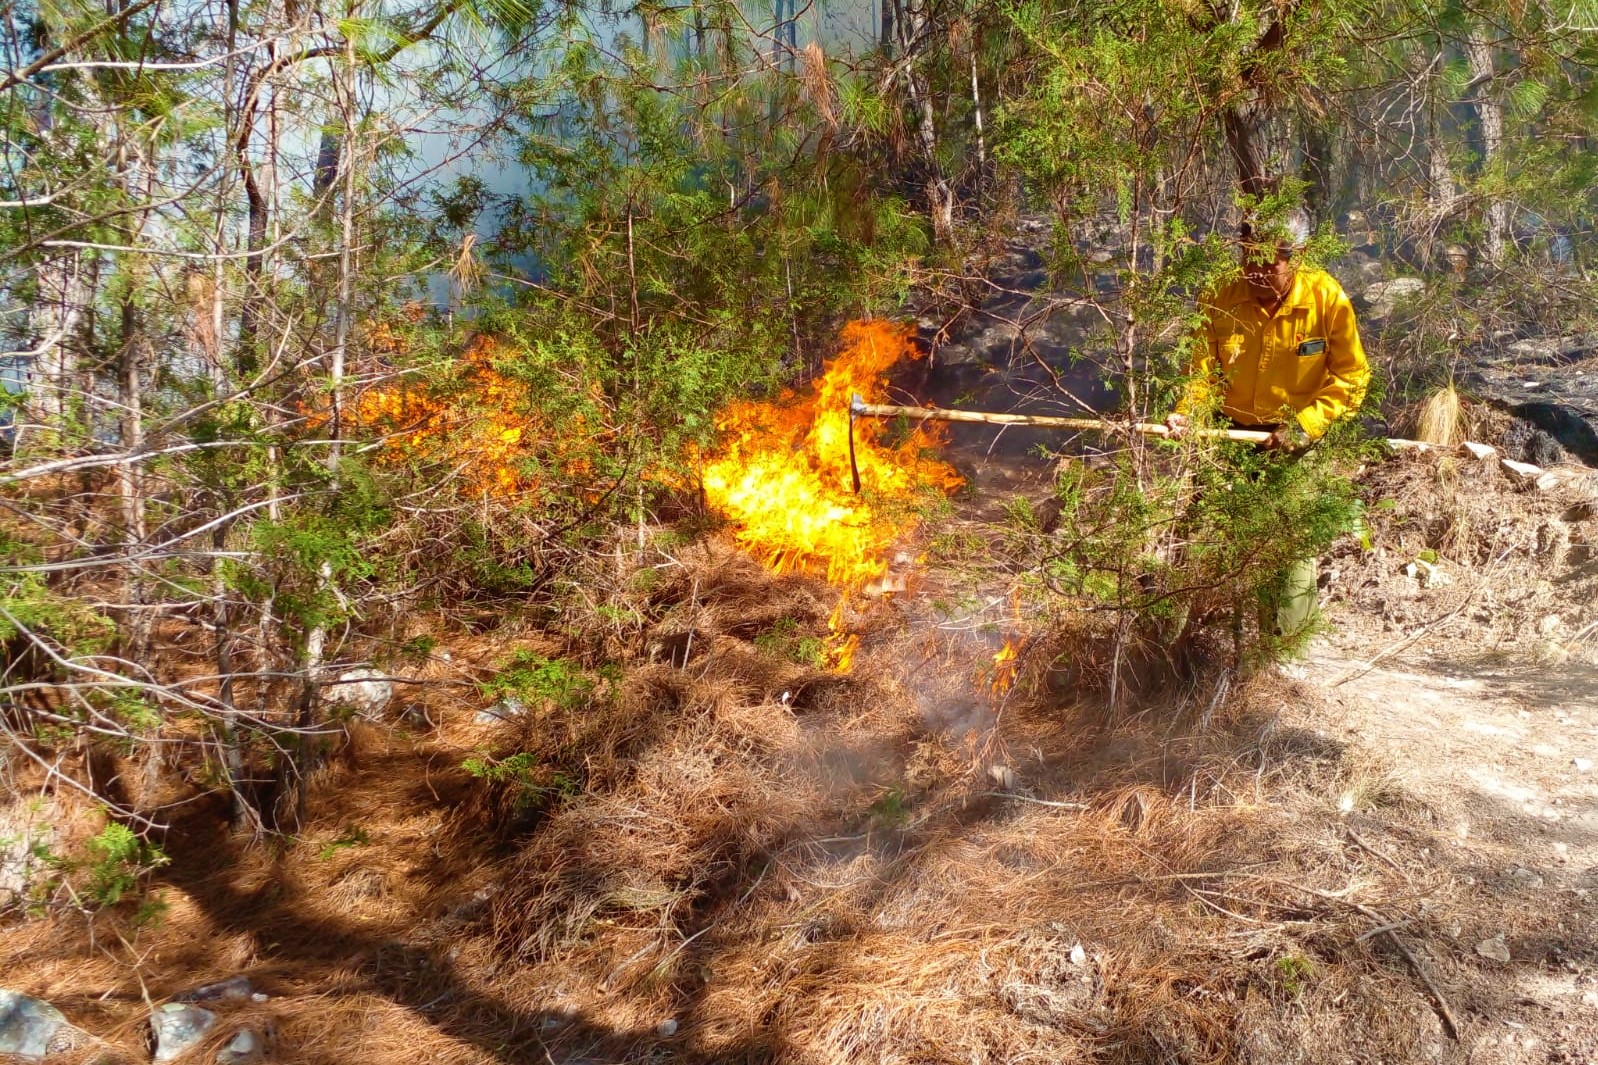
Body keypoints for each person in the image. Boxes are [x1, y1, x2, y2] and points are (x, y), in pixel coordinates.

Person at [1165, 210, 1371, 639]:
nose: (1256, 272)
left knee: (1289, 546)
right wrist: (1188, 411)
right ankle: (1176, 640)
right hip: (1227, 434)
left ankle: (1281, 650)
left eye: (1269, 261)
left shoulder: (1327, 299)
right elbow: (1202, 372)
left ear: (1296, 256)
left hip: (1295, 441)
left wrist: (1306, 425)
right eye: (1248, 258)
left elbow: (1352, 377)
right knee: (1198, 533)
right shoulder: (1219, 295)